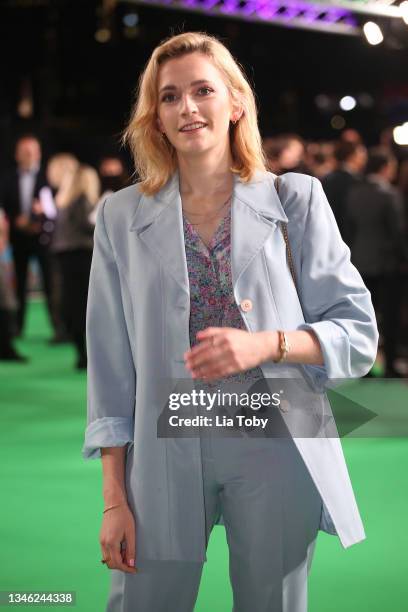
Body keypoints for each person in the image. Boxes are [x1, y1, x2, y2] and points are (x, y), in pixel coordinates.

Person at [82, 32, 378, 612]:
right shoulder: (119, 218)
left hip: (277, 438)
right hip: (164, 442)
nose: (187, 107)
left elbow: (359, 333)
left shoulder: (298, 199)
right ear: (157, 119)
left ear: (234, 103)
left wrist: (266, 344)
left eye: (202, 90)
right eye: (170, 97)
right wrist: (114, 499)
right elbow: (111, 370)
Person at [346, 147, 407, 377]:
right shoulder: (389, 195)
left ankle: (365, 366)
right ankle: (390, 365)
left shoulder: (354, 193)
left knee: (364, 317)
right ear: (385, 168)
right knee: (389, 317)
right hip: (386, 265)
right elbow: (397, 233)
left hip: (360, 262)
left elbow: (349, 228)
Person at [0, 135, 57, 336]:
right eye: (25, 151)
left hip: (44, 240)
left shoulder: (49, 177)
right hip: (18, 240)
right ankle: (17, 329)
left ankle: (58, 329)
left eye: (33, 151)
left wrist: (38, 220)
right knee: (19, 285)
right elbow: (4, 207)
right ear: (17, 155)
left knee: (51, 284)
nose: (30, 155)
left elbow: (56, 208)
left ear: (39, 153)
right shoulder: (7, 179)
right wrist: (16, 221)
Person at [47, 154, 99, 369]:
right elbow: (88, 228)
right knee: (88, 306)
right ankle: (88, 355)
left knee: (73, 304)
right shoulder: (82, 202)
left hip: (65, 257)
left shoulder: (64, 202)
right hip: (82, 256)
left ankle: (81, 354)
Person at [322, 140, 367, 240]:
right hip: (349, 236)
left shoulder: (327, 178)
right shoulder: (355, 181)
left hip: (331, 234)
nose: (364, 157)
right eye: (361, 153)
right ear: (352, 156)